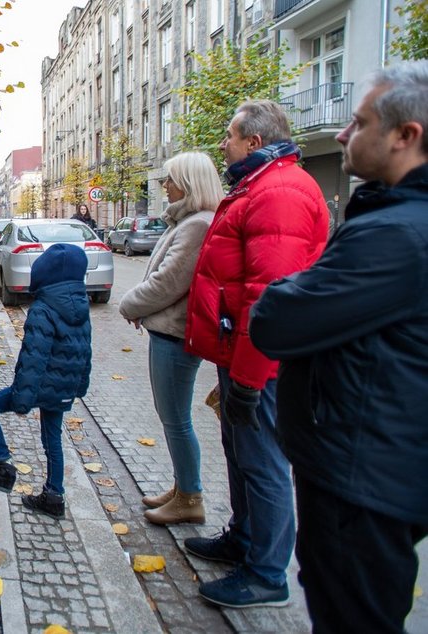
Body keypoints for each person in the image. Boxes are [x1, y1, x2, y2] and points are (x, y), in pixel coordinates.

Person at [249, 61, 428, 633]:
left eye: (359, 121)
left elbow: (275, 319)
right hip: (374, 459)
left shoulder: (397, 235)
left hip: (363, 472)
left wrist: (284, 292)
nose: (344, 134)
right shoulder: (391, 218)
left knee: (351, 612)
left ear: (406, 136)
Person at [183, 100, 329, 608]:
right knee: (241, 451)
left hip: (261, 361)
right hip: (240, 354)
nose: (223, 143)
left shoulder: (281, 191)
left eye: (230, 135)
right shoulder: (257, 184)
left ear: (255, 142)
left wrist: (248, 376)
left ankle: (267, 573)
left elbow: (268, 295)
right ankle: (242, 539)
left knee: (263, 459)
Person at [118, 151, 224, 526]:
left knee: (176, 418)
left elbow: (167, 282)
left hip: (175, 335)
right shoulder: (189, 221)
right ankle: (182, 488)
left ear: (190, 184)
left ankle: (190, 497)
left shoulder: (196, 225)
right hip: (169, 331)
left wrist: (129, 305)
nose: (165, 185)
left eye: (171, 179)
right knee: (171, 416)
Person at [0, 243, 92, 519]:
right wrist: (78, 387)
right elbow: (85, 351)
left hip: (39, 386)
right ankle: (54, 496)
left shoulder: (43, 308)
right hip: (62, 387)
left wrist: (22, 399)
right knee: (53, 439)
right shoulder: (81, 305)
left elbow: (33, 358)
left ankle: (3, 465)